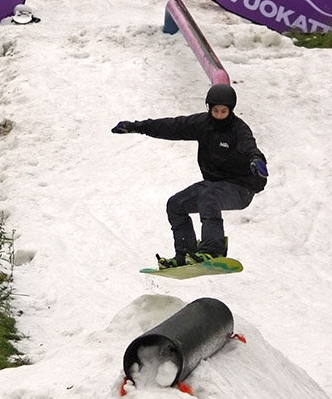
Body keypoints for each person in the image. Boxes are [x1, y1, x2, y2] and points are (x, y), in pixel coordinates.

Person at [111, 83, 268, 267]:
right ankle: (186, 254)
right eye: (215, 111)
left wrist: (257, 160)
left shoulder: (238, 130)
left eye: (223, 111)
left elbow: (250, 147)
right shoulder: (202, 124)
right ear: (209, 108)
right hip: (214, 184)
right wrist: (136, 127)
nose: (218, 115)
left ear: (230, 110)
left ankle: (213, 251)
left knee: (208, 197)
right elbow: (171, 126)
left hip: (241, 188)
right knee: (176, 204)